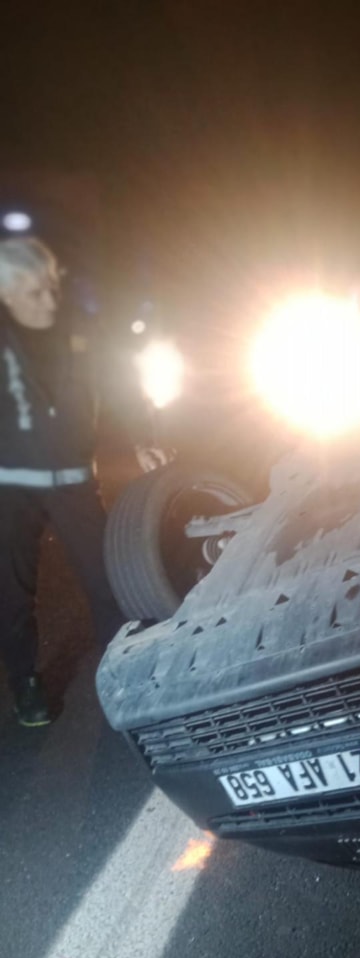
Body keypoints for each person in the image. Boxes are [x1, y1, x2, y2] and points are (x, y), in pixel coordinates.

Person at [0, 236, 155, 727]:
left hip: (73, 478)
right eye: (34, 292)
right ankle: (25, 683)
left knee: (106, 578)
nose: (49, 300)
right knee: (11, 591)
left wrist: (143, 436)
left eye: (51, 286)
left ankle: (124, 672)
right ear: (6, 293)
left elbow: (120, 383)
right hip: (10, 484)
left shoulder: (80, 327)